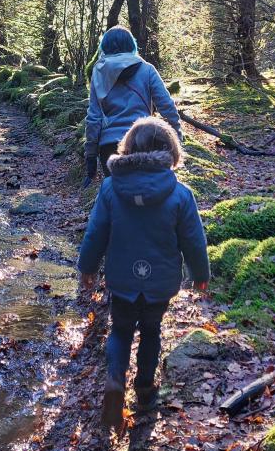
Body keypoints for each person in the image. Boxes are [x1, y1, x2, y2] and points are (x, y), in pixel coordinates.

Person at [77, 117, 210, 432]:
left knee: (121, 332)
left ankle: (114, 383)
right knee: (151, 331)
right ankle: (146, 390)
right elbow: (193, 239)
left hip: (122, 277)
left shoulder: (110, 188)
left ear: (127, 147)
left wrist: (88, 267)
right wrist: (200, 272)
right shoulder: (180, 194)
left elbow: (96, 232)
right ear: (171, 152)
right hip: (159, 282)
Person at [83, 27, 181, 188]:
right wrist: (176, 135)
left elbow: (94, 117)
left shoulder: (98, 73)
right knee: (151, 191)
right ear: (131, 45)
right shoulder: (147, 69)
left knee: (119, 196)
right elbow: (167, 106)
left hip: (109, 146)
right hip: (144, 140)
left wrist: (91, 155)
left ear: (104, 47)